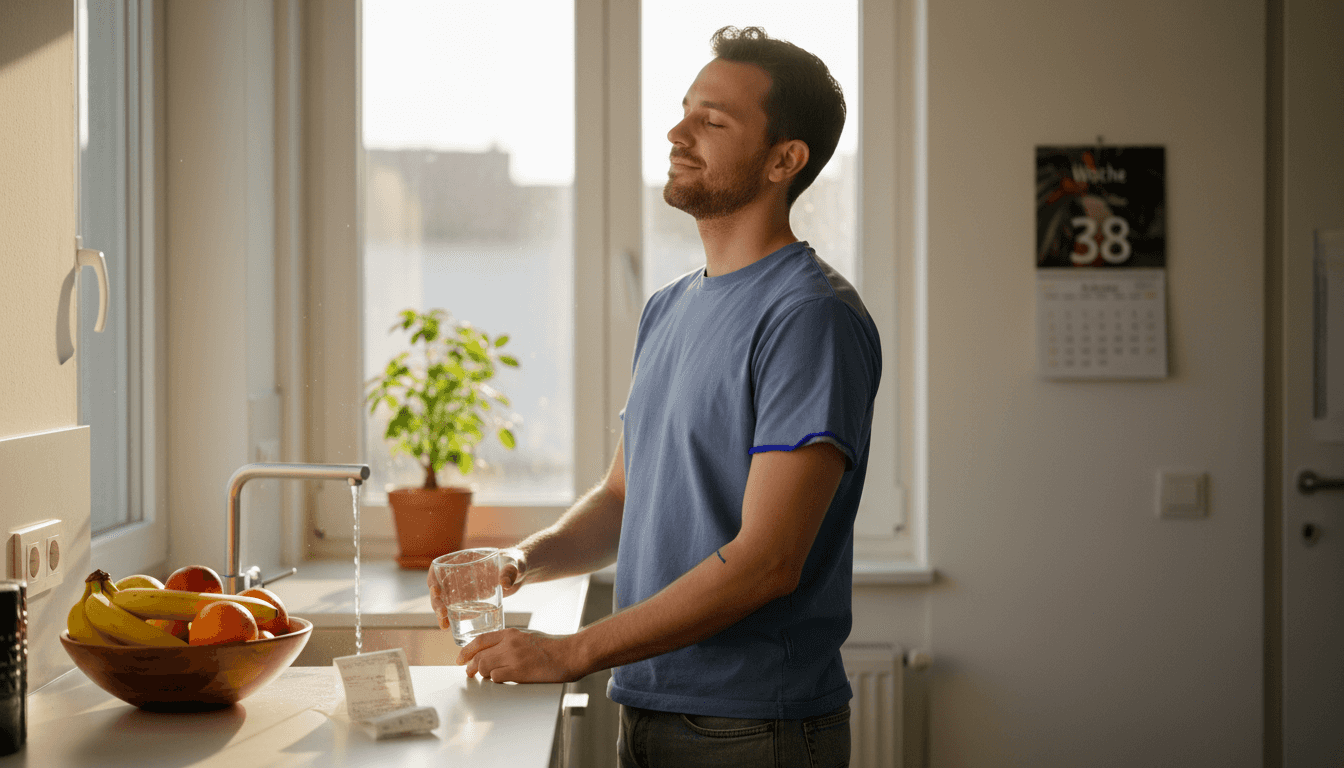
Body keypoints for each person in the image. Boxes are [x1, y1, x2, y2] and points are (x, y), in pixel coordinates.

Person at [434, 25, 880, 767]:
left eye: (713, 120)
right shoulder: (670, 308)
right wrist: (518, 560)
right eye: (684, 110)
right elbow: (621, 501)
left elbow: (770, 561)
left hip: (752, 729)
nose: (677, 132)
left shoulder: (810, 317)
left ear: (784, 159)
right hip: (648, 711)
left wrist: (572, 651)